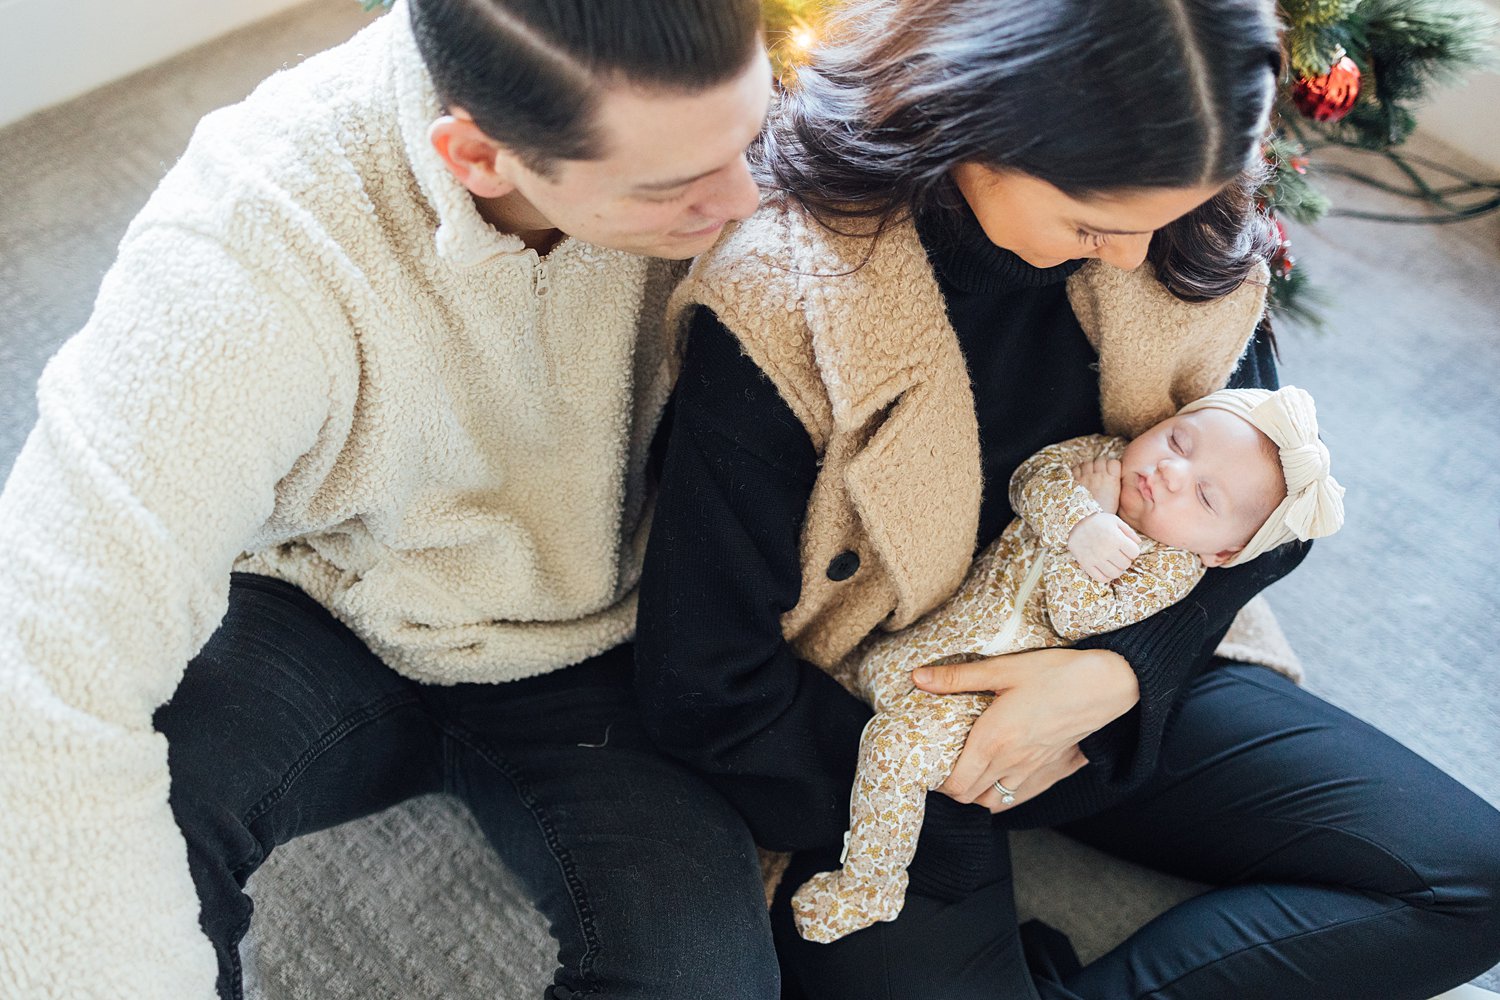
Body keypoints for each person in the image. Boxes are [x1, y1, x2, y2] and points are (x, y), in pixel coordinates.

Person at [634, 0, 1500, 996]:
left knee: (1466, 880)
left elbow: (1280, 494)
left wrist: (1123, 672)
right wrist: (957, 773)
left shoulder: (1185, 231)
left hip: (1113, 645)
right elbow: (702, 689)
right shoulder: (783, 301)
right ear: (981, 117)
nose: (1133, 257)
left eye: (1165, 217)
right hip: (874, 725)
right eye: (1098, 222)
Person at [0, 1, 781, 998]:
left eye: (751, 135)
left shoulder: (722, 118)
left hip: (597, 641)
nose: (750, 198)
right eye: (675, 188)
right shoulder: (243, 245)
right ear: (476, 156)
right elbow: (44, 671)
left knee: (702, 981)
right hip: (321, 605)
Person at [791, 385, 1347, 943]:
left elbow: (1076, 613)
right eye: (1178, 440)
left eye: (1205, 498)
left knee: (894, 747)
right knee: (841, 670)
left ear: (1221, 553)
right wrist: (1079, 517)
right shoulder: (1105, 456)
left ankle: (870, 884)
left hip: (985, 702)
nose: (1173, 472)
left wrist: (1091, 523)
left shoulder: (1170, 569)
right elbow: (1030, 479)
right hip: (931, 639)